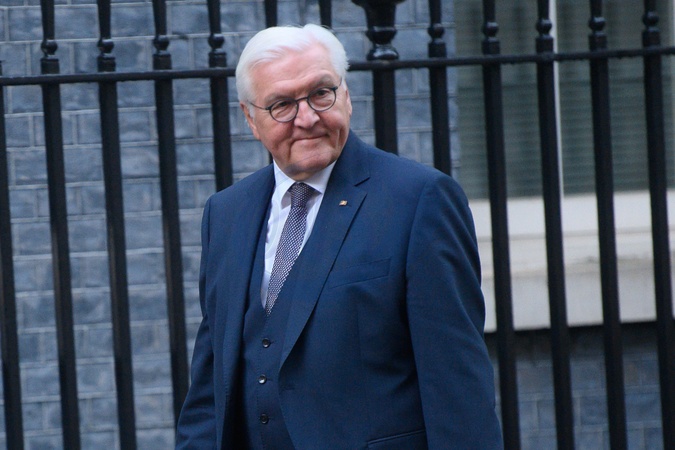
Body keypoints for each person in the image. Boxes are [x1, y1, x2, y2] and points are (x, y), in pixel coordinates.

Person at [175, 23, 503, 449]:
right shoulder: (226, 213)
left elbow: (458, 387)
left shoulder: (419, 200)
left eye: (320, 93)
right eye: (282, 105)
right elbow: (209, 387)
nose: (307, 118)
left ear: (345, 96)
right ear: (250, 118)